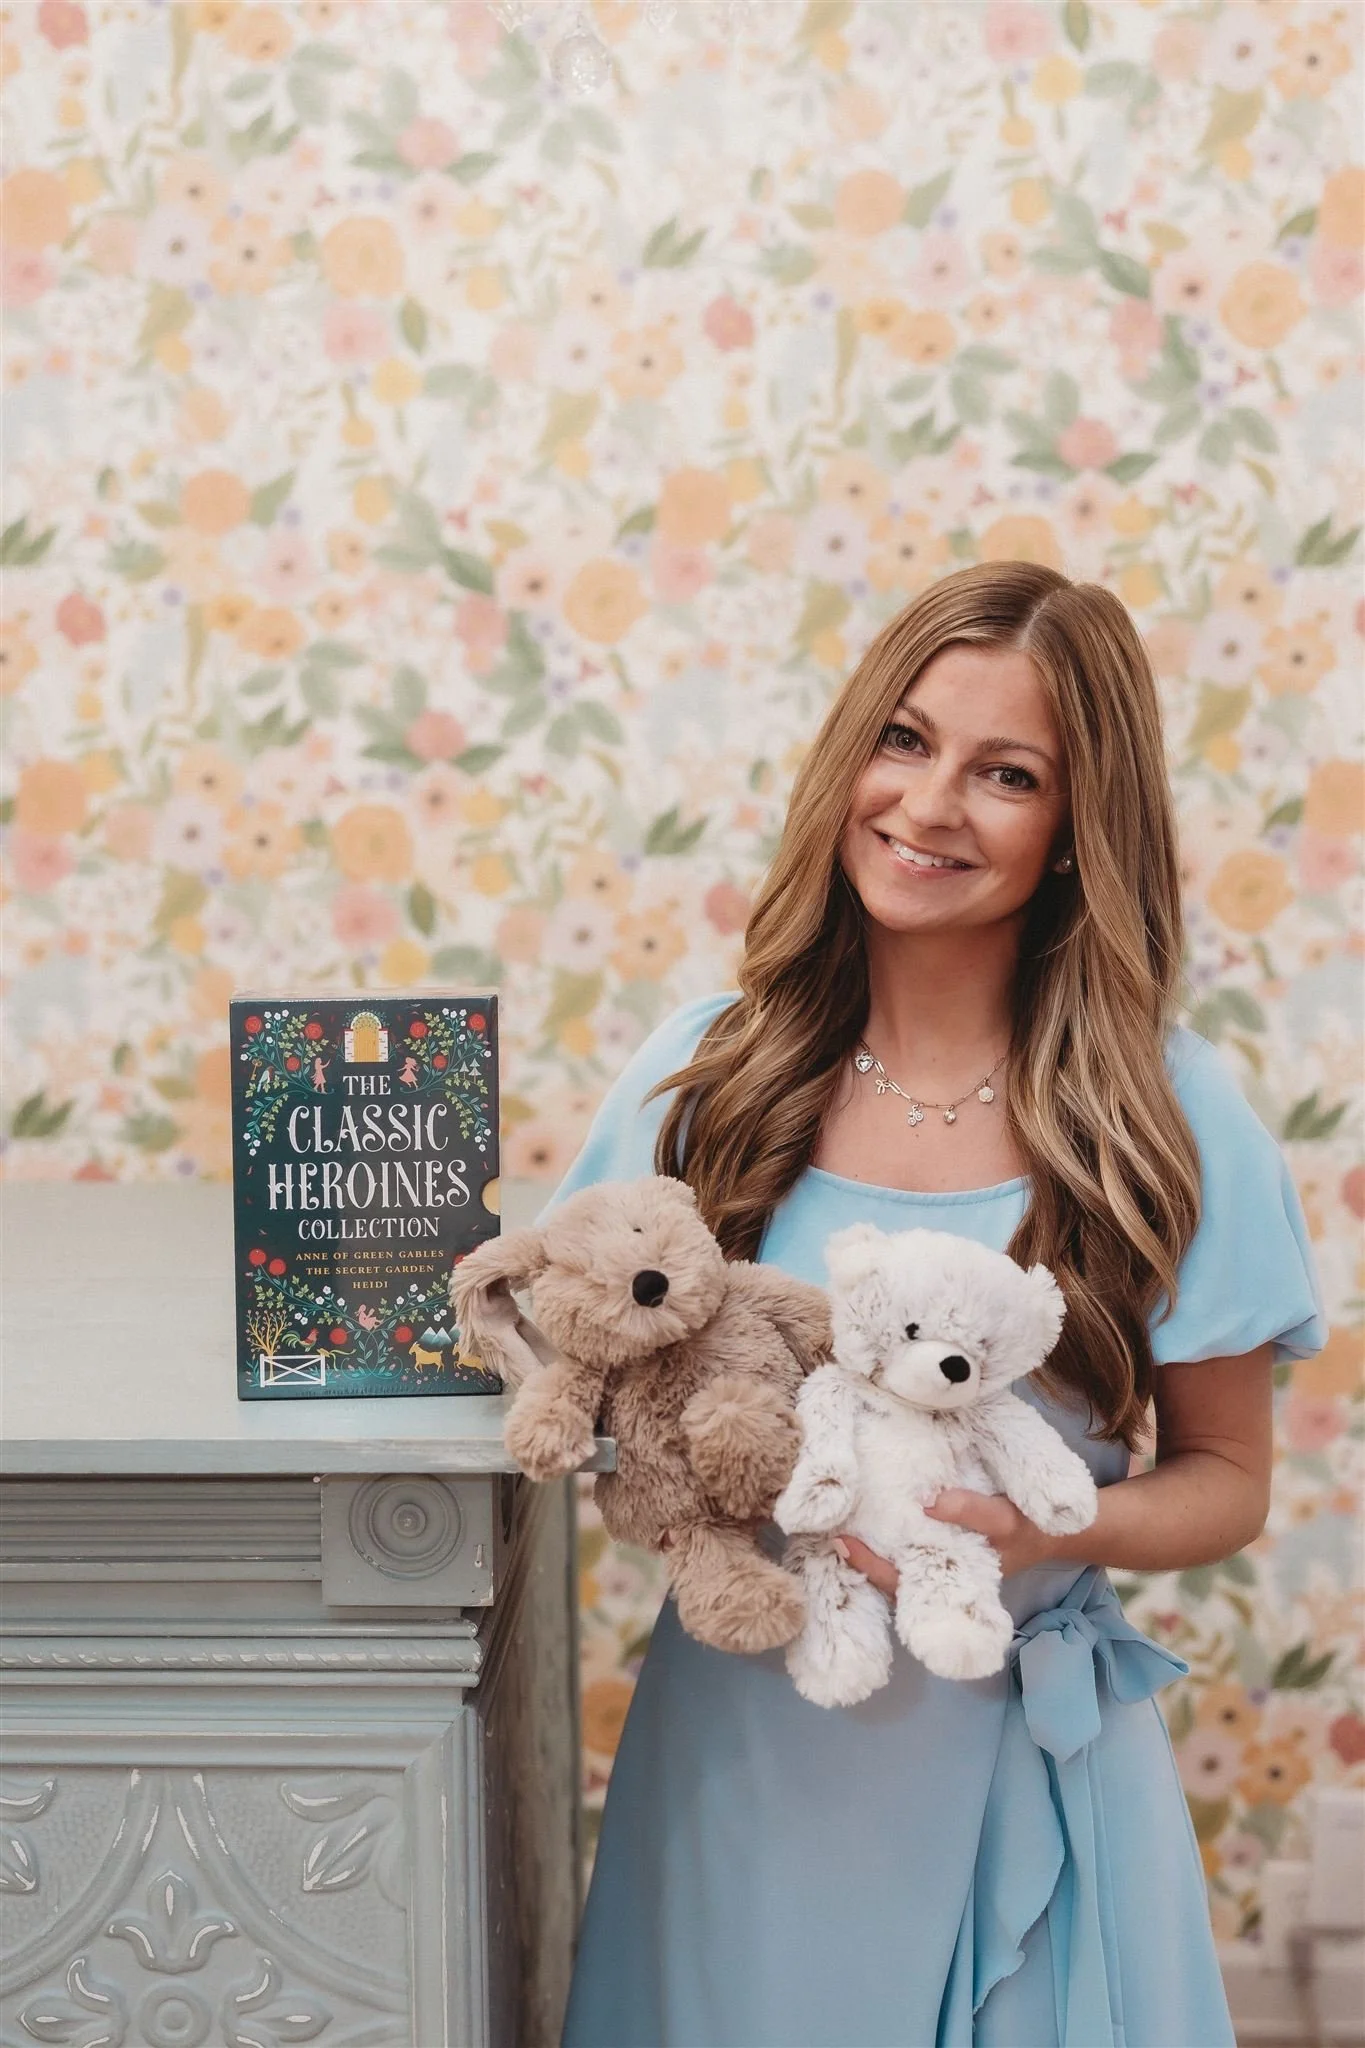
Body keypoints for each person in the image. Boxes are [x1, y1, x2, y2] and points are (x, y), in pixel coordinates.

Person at [546, 561, 1324, 2048]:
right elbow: (577, 1381)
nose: (930, 804)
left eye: (1006, 773)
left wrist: (1057, 1528)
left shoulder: (1167, 1116)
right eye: (904, 741)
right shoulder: (705, 1078)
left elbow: (1225, 1484)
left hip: (1028, 1758)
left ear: (1079, 831)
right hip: (745, 1766)